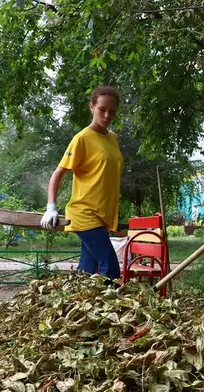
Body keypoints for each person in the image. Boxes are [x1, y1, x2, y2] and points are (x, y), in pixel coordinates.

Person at [40, 86, 124, 283]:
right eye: (101, 109)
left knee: (85, 273)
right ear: (91, 107)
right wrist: (51, 207)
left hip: (103, 216)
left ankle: (70, 308)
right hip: (84, 213)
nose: (106, 115)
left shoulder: (113, 139)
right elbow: (58, 173)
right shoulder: (82, 139)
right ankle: (108, 312)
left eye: (112, 111)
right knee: (111, 269)